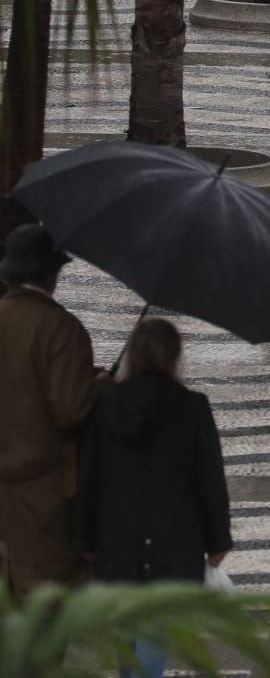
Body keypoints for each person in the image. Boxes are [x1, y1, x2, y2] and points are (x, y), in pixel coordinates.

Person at [76, 319, 232, 678]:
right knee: (154, 631)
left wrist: (84, 538)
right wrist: (218, 539)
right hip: (174, 541)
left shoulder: (104, 407)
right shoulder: (192, 407)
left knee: (128, 630)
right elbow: (210, 479)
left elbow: (89, 477)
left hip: (117, 540)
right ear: (174, 357)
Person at [0, 224, 96, 598]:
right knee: (42, 604)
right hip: (41, 491)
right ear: (52, 273)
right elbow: (71, 411)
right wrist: (96, 388)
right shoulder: (62, 328)